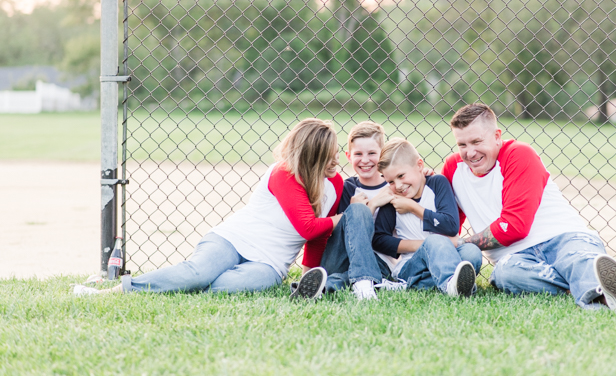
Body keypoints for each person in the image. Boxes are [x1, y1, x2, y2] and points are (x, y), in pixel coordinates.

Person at [73, 118, 344, 296]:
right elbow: (308, 227)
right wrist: (341, 218)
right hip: (232, 240)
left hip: (270, 263)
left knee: (230, 286)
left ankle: (177, 285)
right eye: (329, 155)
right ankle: (110, 292)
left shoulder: (335, 185)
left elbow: (317, 239)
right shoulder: (283, 173)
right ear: (312, 158)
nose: (337, 159)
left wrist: (309, 278)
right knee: (198, 273)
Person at [442, 103, 616, 311]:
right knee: (505, 276)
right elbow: (447, 221)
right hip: (515, 258)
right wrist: (422, 184)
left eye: (477, 142)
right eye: (462, 144)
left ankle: (605, 298)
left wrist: (462, 243)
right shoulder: (454, 168)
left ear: (497, 136)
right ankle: (601, 288)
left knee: (577, 259)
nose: (470, 153)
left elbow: (514, 227)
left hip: (563, 237)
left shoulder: (518, 154)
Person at [299, 121, 400, 301]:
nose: (365, 160)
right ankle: (365, 283)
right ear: (348, 156)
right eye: (358, 154)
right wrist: (369, 206)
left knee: (342, 278)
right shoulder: (347, 188)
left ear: (382, 154)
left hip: (379, 261)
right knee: (357, 210)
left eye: (372, 153)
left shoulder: (394, 186)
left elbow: (385, 240)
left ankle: (326, 287)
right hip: (343, 258)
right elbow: (338, 234)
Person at [372, 138, 483, 297]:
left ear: (419, 165)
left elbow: (451, 226)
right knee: (434, 241)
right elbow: (379, 240)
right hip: (411, 265)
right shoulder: (392, 199)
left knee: (472, 252)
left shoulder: (438, 183)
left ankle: (415, 286)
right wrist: (425, 246)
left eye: (401, 176)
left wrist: (413, 207)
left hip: (445, 256)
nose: (398, 186)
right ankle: (450, 287)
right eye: (390, 181)